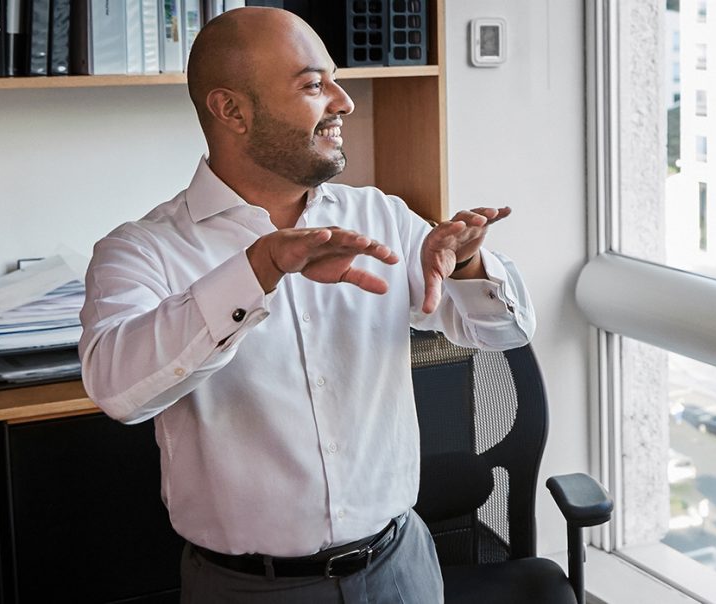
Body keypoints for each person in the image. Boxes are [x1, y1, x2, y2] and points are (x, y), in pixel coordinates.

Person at [77, 8, 534, 602]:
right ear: (232, 110)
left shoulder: (378, 216)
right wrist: (260, 269)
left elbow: (505, 333)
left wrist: (469, 265)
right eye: (314, 85)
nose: (343, 102)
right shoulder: (143, 250)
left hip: (403, 568)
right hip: (247, 588)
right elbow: (116, 390)